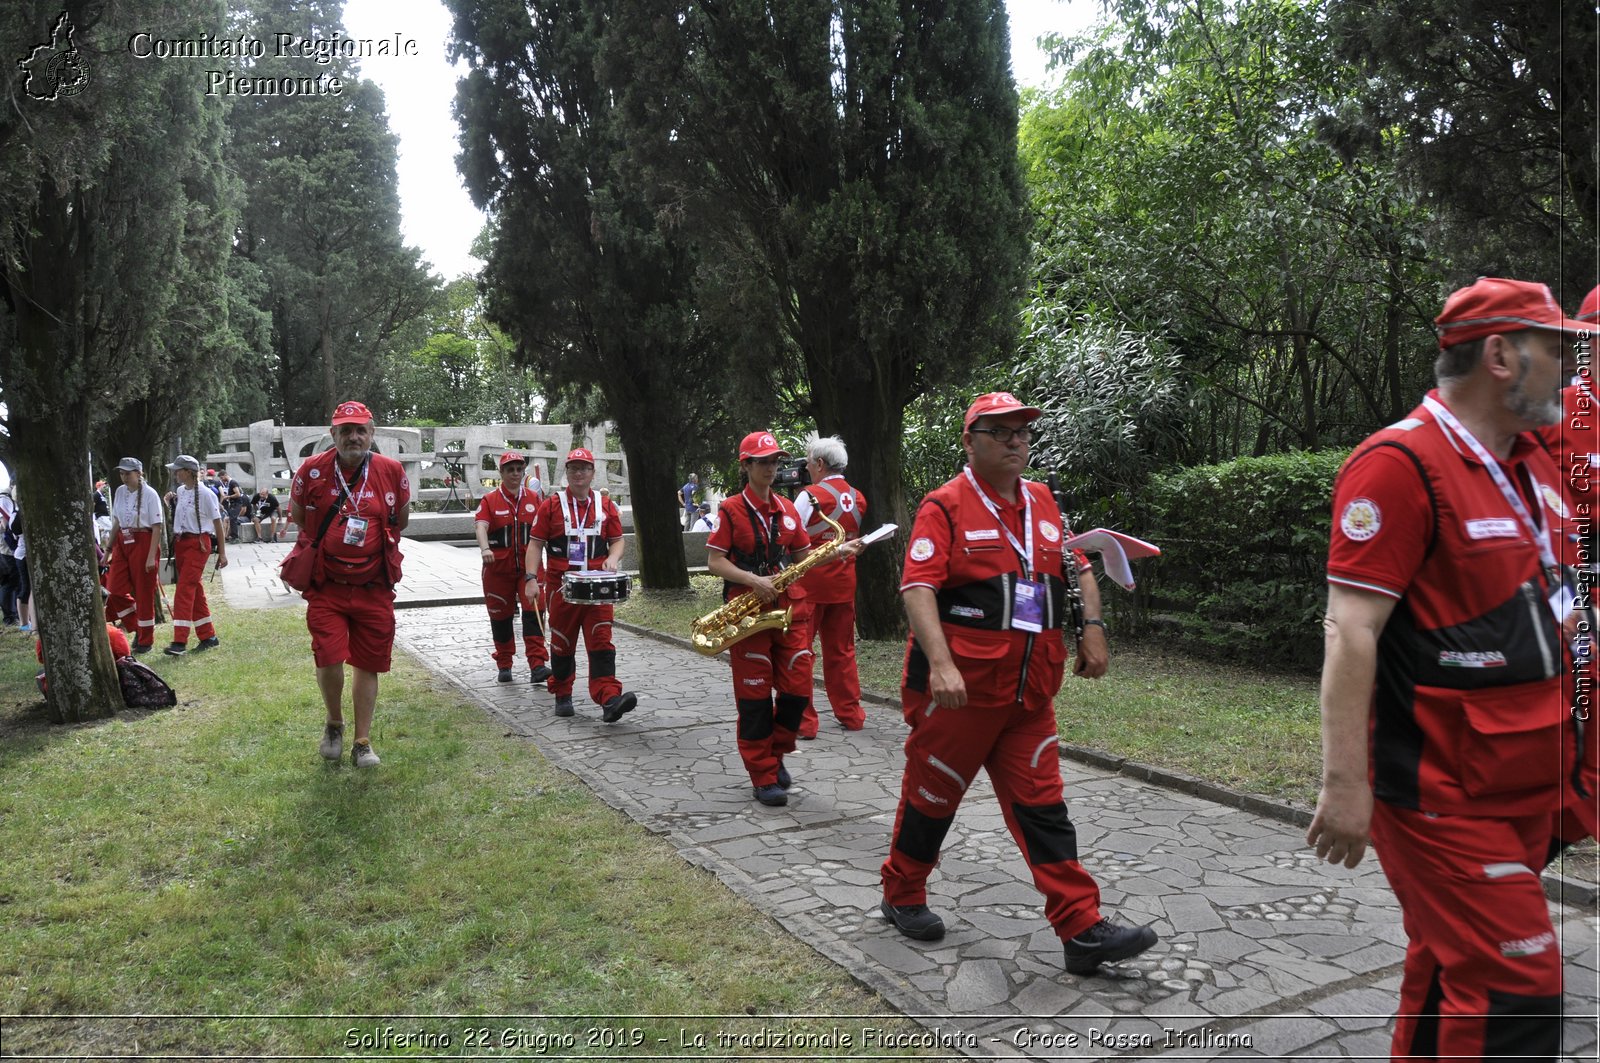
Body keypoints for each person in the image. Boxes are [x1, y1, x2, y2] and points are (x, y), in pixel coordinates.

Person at [1305, 277, 1591, 1060]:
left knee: (1445, 962)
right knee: (1515, 985)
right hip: (1440, 791)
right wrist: (1344, 785)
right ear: (1500, 354)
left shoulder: (1533, 463)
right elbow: (1351, 629)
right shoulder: (1397, 464)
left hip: (1524, 780)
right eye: (1557, 351)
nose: (1570, 374)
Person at [877, 392, 1157, 978]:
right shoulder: (944, 506)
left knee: (1045, 807)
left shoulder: (1043, 501)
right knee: (933, 798)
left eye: (1022, 430)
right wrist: (944, 663)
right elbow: (917, 589)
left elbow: (1077, 566)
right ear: (970, 441)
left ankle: (1081, 927)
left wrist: (1095, 629)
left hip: (1030, 693)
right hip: (960, 694)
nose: (1015, 440)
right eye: (999, 431)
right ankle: (902, 894)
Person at [706, 431, 863, 806]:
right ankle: (763, 775)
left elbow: (802, 559)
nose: (771, 469)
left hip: (789, 609)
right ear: (746, 466)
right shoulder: (730, 509)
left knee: (797, 691)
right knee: (755, 698)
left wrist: (838, 551)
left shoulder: (789, 508)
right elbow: (715, 561)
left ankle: (774, 753)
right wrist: (752, 580)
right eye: (762, 462)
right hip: (748, 608)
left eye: (775, 462)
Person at [289, 400, 411, 769]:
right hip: (328, 586)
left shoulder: (390, 470)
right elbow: (298, 516)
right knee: (328, 656)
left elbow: (400, 518)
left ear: (372, 434)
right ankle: (333, 723)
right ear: (334, 435)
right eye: (346, 430)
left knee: (368, 662)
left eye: (361, 430)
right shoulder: (312, 471)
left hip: (374, 585)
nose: (354, 437)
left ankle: (362, 741)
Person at [526, 447, 637, 722]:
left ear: (592, 473)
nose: (579, 473)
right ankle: (562, 692)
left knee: (601, 641)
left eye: (584, 468)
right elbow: (535, 544)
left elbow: (618, 540)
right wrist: (531, 579)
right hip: (561, 587)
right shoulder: (550, 505)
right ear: (567, 472)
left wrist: (613, 558)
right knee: (563, 643)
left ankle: (609, 698)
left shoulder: (605, 505)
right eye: (574, 468)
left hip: (598, 587)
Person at [792, 432, 868, 737]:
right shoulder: (858, 496)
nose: (807, 467)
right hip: (844, 583)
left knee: (800, 653)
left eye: (809, 461)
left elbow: (791, 537)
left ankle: (804, 722)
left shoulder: (809, 495)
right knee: (842, 652)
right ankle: (851, 714)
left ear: (820, 463)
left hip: (810, 585)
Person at [474, 451, 552, 685]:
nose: (515, 474)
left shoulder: (534, 499)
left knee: (534, 613)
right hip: (497, 571)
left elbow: (545, 529)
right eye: (510, 469)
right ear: (502, 473)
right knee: (501, 618)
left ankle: (538, 664)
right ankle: (504, 663)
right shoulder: (490, 500)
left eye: (519, 469)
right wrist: (485, 548)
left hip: (529, 570)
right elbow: (481, 526)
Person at [161, 455, 228, 655]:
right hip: (182, 545)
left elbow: (218, 523)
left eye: (178, 470)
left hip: (198, 544)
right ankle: (208, 636)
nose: (175, 473)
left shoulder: (207, 494)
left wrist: (222, 553)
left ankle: (179, 641)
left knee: (184, 589)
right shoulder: (181, 491)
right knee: (194, 590)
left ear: (188, 472)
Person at [105, 457, 164, 654]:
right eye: (121, 473)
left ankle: (146, 639)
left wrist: (150, 556)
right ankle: (138, 626)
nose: (123, 478)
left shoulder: (150, 494)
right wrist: (108, 548)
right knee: (114, 589)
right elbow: (116, 522)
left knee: (143, 592)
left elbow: (157, 527)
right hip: (123, 540)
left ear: (139, 473)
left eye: (127, 474)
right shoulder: (120, 492)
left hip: (144, 540)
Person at [217, 471, 247, 542]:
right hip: (233, 504)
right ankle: (232, 536)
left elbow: (238, 494)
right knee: (231, 519)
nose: (221, 480)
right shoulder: (229, 483)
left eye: (222, 478)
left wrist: (228, 497)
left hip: (236, 503)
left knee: (233, 519)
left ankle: (235, 537)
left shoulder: (233, 482)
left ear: (225, 475)